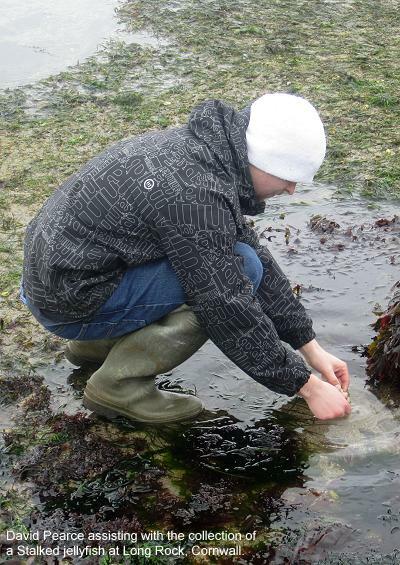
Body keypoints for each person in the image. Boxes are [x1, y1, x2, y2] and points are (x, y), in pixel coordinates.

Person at [20, 92, 352, 424]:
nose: (292, 190)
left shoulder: (205, 154)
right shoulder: (195, 196)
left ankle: (95, 348)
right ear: (264, 159)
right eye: (289, 177)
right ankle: (120, 386)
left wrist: (309, 347)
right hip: (69, 302)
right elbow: (226, 304)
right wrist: (306, 387)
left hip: (59, 277)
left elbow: (253, 252)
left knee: (238, 261)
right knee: (233, 275)